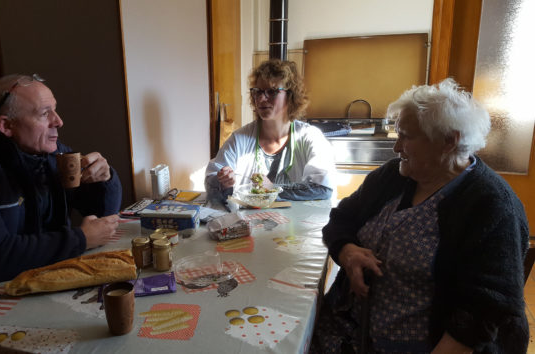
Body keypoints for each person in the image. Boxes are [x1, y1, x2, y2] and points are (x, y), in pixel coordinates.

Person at [310, 78, 529, 353]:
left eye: (406, 136)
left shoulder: (492, 206)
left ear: (449, 141)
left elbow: (482, 312)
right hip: (347, 329)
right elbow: (341, 218)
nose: (396, 147)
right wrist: (347, 251)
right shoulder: (394, 175)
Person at [0, 74, 123, 305]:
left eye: (55, 110)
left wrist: (105, 179)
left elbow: (101, 215)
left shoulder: (54, 155)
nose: (58, 121)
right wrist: (80, 239)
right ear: (6, 125)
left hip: (49, 282)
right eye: (45, 114)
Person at [205, 59, 336, 202]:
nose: (261, 98)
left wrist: (272, 189)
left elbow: (323, 188)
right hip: (250, 222)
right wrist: (223, 183)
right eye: (258, 91)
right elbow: (212, 180)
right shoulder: (239, 139)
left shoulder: (311, 137)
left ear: (291, 96)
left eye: (272, 92)